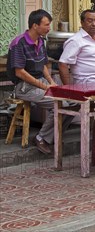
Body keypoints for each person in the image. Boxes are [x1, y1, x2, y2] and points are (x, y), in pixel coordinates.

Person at [7, 9, 73, 155]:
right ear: (35, 25)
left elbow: (43, 65)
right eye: (46, 25)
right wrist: (44, 86)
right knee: (59, 104)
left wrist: (51, 82)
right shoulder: (19, 43)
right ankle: (41, 137)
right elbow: (20, 72)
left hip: (40, 81)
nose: (49, 28)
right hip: (24, 86)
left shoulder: (41, 41)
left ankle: (52, 136)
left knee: (71, 104)